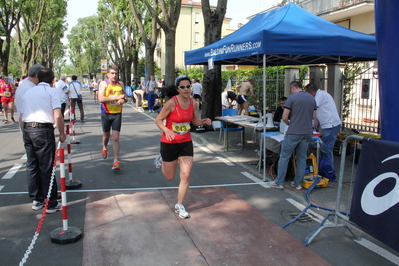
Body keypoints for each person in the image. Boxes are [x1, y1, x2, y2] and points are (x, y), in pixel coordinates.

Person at [155, 75, 211, 219]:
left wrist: (204, 122)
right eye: (183, 87)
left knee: (186, 175)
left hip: (185, 141)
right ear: (177, 89)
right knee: (169, 177)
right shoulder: (171, 103)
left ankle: (179, 205)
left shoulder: (194, 103)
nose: (186, 89)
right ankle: (161, 159)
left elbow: (195, 121)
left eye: (188, 86)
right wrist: (166, 130)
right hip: (169, 142)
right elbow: (159, 120)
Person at [19, 67, 66, 213]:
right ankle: (50, 202)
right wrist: (62, 133)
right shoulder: (52, 92)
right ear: (53, 80)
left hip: (27, 128)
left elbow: (21, 116)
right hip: (43, 130)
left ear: (38, 79)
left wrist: (24, 132)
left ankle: (37, 199)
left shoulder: (28, 92)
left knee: (32, 165)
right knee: (46, 166)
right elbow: (58, 115)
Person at [267, 81, 316, 190]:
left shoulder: (292, 98)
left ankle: (279, 182)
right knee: (302, 157)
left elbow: (284, 117)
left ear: (293, 88)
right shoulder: (311, 98)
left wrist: (289, 123)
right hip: (307, 132)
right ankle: (297, 183)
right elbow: (313, 116)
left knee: (285, 156)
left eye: (290, 89)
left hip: (294, 131)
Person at [305, 83, 341, 170]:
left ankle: (329, 171)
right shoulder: (321, 95)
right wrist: (316, 120)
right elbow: (318, 110)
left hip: (331, 125)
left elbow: (313, 107)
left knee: (326, 149)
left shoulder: (320, 95)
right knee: (325, 148)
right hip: (328, 124)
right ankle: (325, 168)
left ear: (312, 92)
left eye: (307, 94)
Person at [98, 65, 127, 170]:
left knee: (115, 137)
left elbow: (125, 97)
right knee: (106, 135)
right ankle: (104, 147)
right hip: (106, 113)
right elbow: (101, 98)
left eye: (116, 73)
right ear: (108, 74)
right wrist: (117, 98)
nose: (114, 75)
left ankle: (116, 161)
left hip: (117, 113)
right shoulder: (103, 84)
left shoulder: (121, 84)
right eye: (112, 73)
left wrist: (123, 100)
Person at [15, 64, 44, 130]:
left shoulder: (25, 86)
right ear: (37, 75)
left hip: (28, 127)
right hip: (32, 127)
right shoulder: (30, 89)